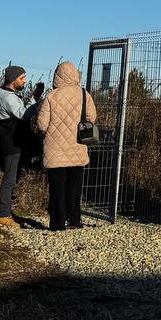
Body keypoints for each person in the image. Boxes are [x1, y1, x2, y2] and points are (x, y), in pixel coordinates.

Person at [34, 61, 96, 231]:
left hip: (54, 150)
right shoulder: (85, 95)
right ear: (75, 75)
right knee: (74, 188)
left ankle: (57, 223)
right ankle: (75, 220)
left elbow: (41, 124)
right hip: (77, 147)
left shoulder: (51, 96)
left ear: (57, 76)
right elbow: (92, 117)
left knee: (57, 189)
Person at [0, 65, 43, 229]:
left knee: (10, 178)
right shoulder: (8, 98)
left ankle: (4, 211)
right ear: (13, 79)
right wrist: (36, 103)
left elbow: (19, 109)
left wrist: (33, 99)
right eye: (22, 78)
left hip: (10, 143)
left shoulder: (5, 95)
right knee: (9, 180)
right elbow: (23, 115)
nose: (24, 81)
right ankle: (3, 215)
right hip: (12, 144)